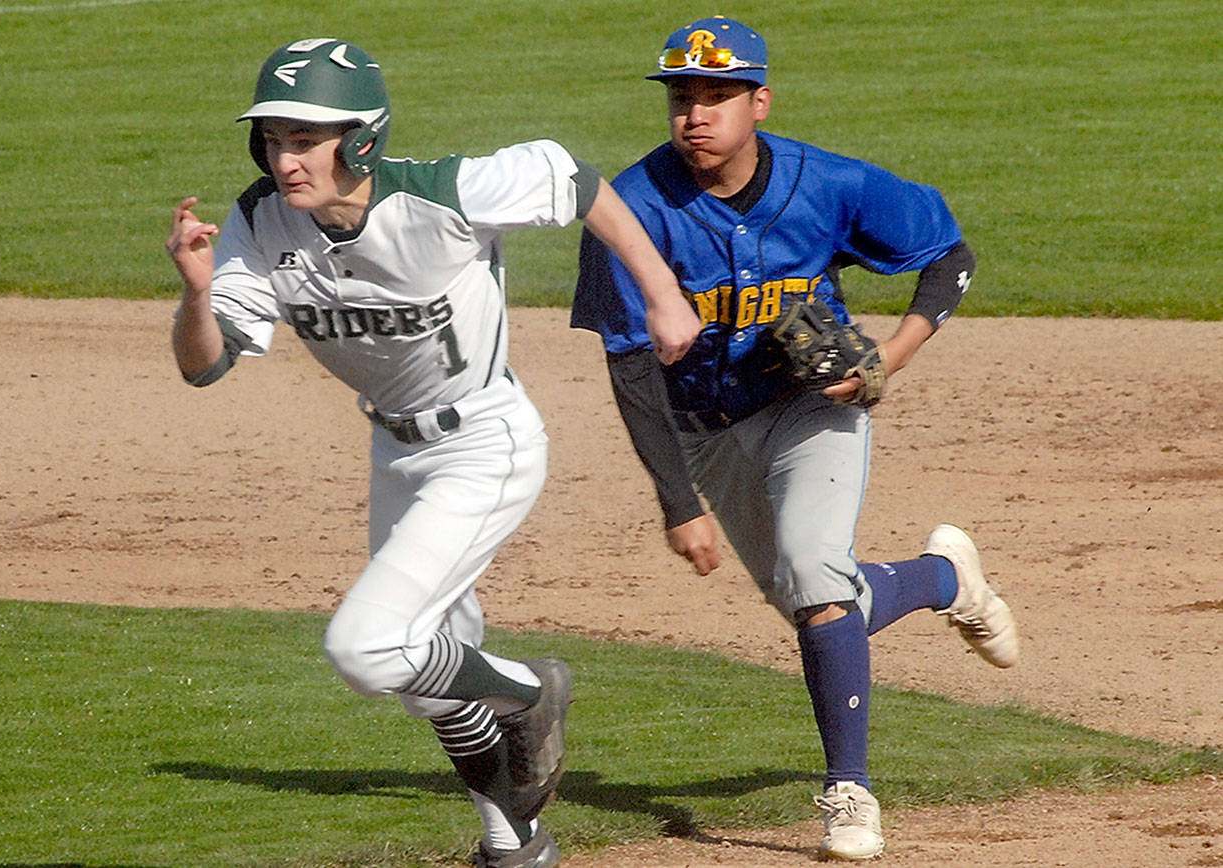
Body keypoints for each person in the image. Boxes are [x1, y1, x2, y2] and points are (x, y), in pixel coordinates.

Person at [166, 37, 699, 868]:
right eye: (273, 137)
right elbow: (204, 365)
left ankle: (531, 691)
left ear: (363, 138)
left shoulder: (444, 193)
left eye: (305, 138)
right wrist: (198, 294)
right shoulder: (256, 221)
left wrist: (663, 296)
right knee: (425, 675)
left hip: (485, 443)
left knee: (366, 648)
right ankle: (514, 840)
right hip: (393, 453)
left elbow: (575, 179)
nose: (285, 156)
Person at [572, 16, 1019, 862]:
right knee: (815, 606)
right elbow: (630, 370)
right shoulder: (631, 210)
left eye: (716, 94)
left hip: (810, 410)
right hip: (703, 430)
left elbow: (948, 253)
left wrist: (891, 353)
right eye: (681, 96)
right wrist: (680, 502)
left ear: (759, 101)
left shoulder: (830, 184)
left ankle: (849, 792)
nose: (694, 113)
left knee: (817, 582)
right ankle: (943, 577)